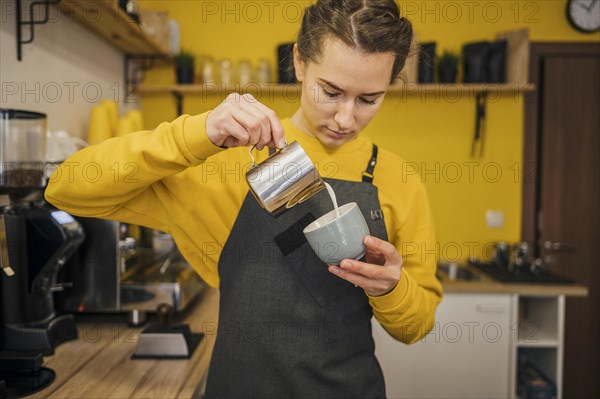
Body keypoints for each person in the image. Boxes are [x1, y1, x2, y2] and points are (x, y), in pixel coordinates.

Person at [46, 0, 442, 397]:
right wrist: (195, 134)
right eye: (331, 91)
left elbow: (415, 327)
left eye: (368, 99)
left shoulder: (399, 179)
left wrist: (390, 289)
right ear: (300, 62)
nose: (345, 118)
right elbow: (66, 189)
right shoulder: (229, 161)